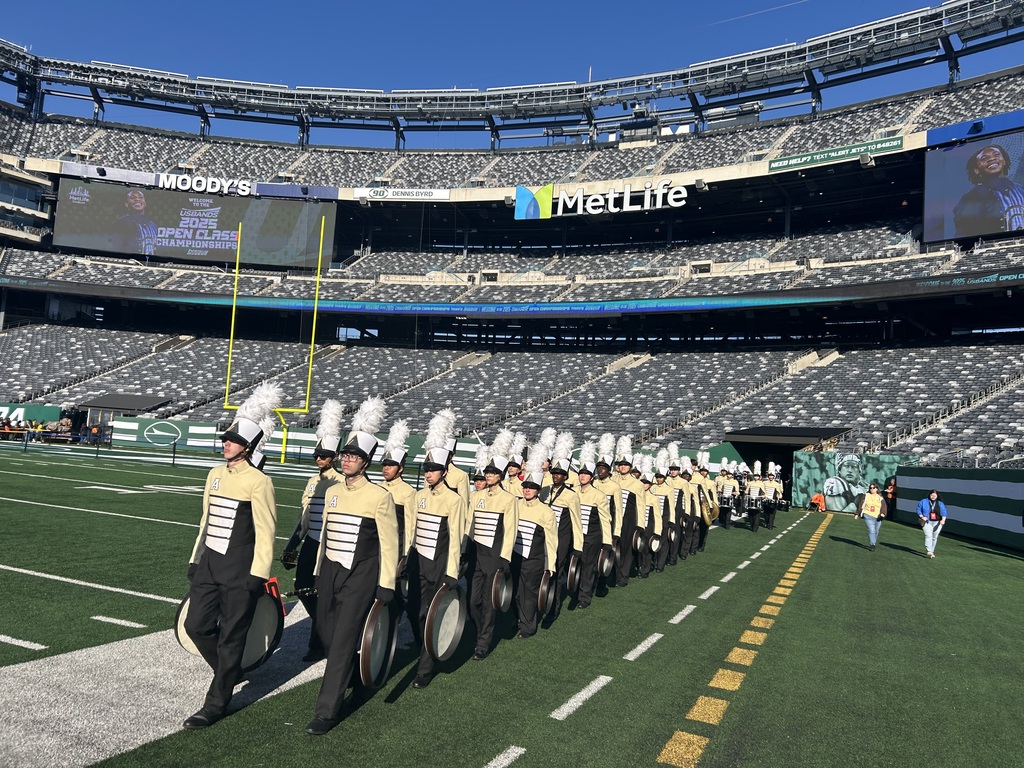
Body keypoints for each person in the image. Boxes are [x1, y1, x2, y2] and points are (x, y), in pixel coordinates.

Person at [182, 383, 280, 730]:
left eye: (233, 440)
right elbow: (205, 521)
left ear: (248, 447)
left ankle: (216, 703)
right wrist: (196, 558)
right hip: (209, 564)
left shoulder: (259, 482)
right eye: (226, 438)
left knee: (232, 636)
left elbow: (267, 531)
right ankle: (230, 670)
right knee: (196, 625)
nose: (226, 443)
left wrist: (259, 573)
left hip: (241, 571)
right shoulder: (214, 475)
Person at [308, 396, 398, 735]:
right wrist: (319, 571)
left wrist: (386, 583)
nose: (346, 460)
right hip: (330, 571)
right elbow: (327, 535)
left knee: (342, 639)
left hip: (360, 576)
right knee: (328, 635)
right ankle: (358, 667)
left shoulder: (379, 496)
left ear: (367, 461)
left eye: (354, 456)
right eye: (345, 455)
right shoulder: (333, 491)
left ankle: (326, 711)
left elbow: (390, 544)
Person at [281, 400, 343, 663]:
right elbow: (303, 519)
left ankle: (320, 642)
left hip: (330, 548)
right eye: (317, 456)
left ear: (336, 457)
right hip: (310, 544)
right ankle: (322, 632)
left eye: (324, 456)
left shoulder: (342, 483)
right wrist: (291, 545)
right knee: (303, 587)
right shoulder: (311, 482)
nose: (319, 459)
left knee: (325, 594)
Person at [408, 427, 467, 689]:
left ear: (444, 471)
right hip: (415, 564)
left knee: (430, 615)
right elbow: (410, 531)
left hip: (437, 565)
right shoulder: (418, 496)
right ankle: (426, 646)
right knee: (414, 612)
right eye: (426, 468)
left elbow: (455, 538)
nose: (428, 472)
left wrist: (452, 571)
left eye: (433, 469)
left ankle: (425, 667)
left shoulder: (454, 500)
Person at [467, 445, 517, 659]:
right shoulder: (478, 496)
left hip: (495, 557)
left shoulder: (508, 499)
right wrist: (463, 550)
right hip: (476, 556)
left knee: (488, 603)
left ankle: (483, 642)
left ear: (501, 475)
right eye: (487, 472)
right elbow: (469, 524)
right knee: (473, 602)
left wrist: (505, 557)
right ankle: (481, 631)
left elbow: (511, 530)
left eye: (493, 473)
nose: (488, 475)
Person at [512, 447, 558, 639]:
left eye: (531, 487)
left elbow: (551, 541)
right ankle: (519, 619)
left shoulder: (546, 511)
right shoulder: (514, 505)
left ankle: (528, 626)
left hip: (534, 560)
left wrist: (550, 566)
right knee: (514, 593)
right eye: (525, 487)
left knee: (528, 593)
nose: (527, 490)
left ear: (538, 490)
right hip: (514, 556)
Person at [953, 144, 1024, 238]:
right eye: (984, 158)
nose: (992, 159)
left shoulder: (1021, 190)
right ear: (976, 170)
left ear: (1005, 161)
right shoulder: (970, 199)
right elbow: (963, 233)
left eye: (996, 155)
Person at [574, 443, 612, 608]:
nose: (582, 476)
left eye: (586, 474)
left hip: (592, 535)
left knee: (588, 566)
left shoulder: (598, 495)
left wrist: (607, 541)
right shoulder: (572, 491)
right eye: (581, 473)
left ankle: (584, 597)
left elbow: (605, 519)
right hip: (575, 535)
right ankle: (574, 590)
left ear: (592, 477)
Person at [115, 189, 158, 255]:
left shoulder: (153, 225)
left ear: (145, 202)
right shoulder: (122, 223)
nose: (137, 199)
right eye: (132, 197)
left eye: (140, 197)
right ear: (126, 204)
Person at [854, 481, 887, 552]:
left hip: (878, 517)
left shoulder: (880, 498)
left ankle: (873, 541)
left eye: (873, 488)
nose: (872, 489)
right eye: (870, 488)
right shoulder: (865, 495)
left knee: (876, 531)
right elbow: (860, 505)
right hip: (868, 515)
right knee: (871, 530)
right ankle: (873, 544)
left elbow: (884, 507)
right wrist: (857, 513)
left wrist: (883, 513)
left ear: (876, 489)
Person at [916, 489, 948, 558]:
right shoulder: (923, 501)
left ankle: (932, 551)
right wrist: (922, 516)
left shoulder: (940, 503)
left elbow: (944, 512)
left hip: (937, 522)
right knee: (928, 535)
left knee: (934, 537)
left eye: (935, 495)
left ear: (937, 496)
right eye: (932, 495)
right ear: (929, 495)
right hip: (927, 521)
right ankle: (929, 551)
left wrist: (943, 520)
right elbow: (918, 509)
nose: (933, 497)